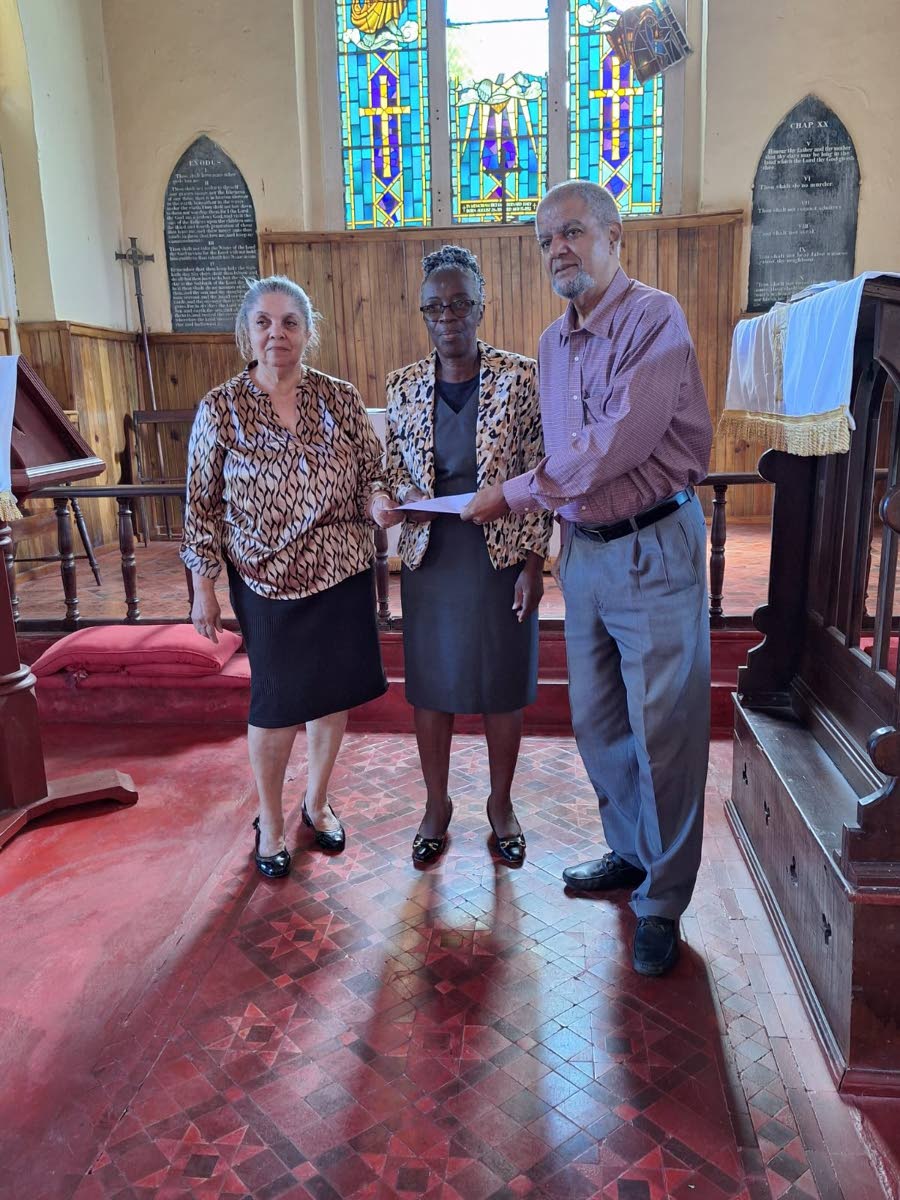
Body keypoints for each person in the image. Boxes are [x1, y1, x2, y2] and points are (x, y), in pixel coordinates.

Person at [462, 182, 713, 975]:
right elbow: (569, 460)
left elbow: (616, 445)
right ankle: (631, 854)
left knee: (664, 733)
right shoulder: (550, 342)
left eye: (572, 233)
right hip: (587, 553)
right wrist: (543, 531)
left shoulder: (654, 318)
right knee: (600, 722)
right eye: (545, 241)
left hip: (653, 545)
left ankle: (663, 902)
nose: (558, 250)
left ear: (613, 238)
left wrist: (511, 495)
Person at [181, 275, 388, 878]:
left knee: (330, 696)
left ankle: (316, 801)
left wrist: (378, 501)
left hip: (342, 568)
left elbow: (373, 471)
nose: (278, 333)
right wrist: (203, 585)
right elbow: (200, 504)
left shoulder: (340, 397)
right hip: (265, 577)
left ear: (307, 332)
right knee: (275, 704)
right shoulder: (221, 406)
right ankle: (270, 819)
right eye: (265, 322)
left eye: (290, 322)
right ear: (247, 332)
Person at [372, 246, 552, 865]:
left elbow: (540, 471)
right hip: (433, 555)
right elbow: (391, 466)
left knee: (503, 686)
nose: (448, 316)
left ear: (480, 307)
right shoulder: (401, 387)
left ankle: (501, 804)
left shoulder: (520, 377)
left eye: (460, 304)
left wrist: (534, 564)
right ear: (423, 313)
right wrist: (401, 499)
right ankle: (437, 804)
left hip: (499, 555)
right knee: (432, 688)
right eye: (435, 307)